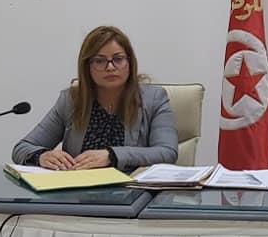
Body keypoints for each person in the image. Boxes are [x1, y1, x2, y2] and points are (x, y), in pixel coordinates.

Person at [12, 25, 178, 171]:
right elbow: (22, 148)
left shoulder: (153, 99)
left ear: (130, 62)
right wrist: (41, 156)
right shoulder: (71, 100)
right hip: (79, 191)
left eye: (118, 59)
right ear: (87, 67)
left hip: (131, 190)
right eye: (99, 61)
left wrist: (112, 155)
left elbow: (167, 152)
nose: (110, 67)